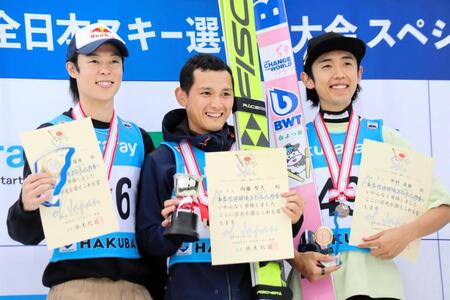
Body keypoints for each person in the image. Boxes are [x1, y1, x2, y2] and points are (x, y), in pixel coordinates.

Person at [6, 23, 166, 300]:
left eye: (114, 61)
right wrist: (26, 206)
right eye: (93, 61)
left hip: (134, 289)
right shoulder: (49, 135)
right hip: (74, 287)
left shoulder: (139, 138)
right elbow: (24, 233)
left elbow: (148, 227)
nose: (106, 69)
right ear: (72, 69)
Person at [287, 32, 450, 300]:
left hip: (375, 282)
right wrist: (295, 259)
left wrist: (403, 235)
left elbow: (443, 207)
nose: (339, 73)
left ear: (359, 73)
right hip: (313, 282)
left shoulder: (382, 136)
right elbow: (272, 223)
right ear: (308, 79)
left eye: (347, 63)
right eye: (326, 65)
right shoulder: (294, 143)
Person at [136, 53, 304, 299]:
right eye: (206, 93)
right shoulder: (162, 160)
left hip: (250, 289)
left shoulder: (251, 151)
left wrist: (293, 218)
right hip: (190, 289)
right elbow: (147, 241)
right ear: (182, 96)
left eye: (225, 94)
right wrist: (171, 231)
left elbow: (275, 229)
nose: (217, 104)